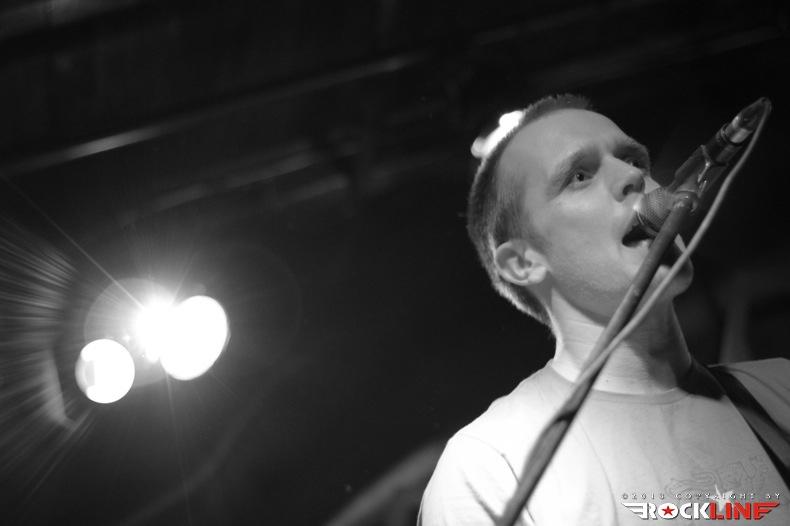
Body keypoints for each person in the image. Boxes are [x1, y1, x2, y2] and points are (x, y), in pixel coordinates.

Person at [419, 94, 790, 525]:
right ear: (524, 262)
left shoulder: (780, 391)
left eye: (634, 160)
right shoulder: (491, 467)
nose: (634, 177)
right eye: (579, 176)